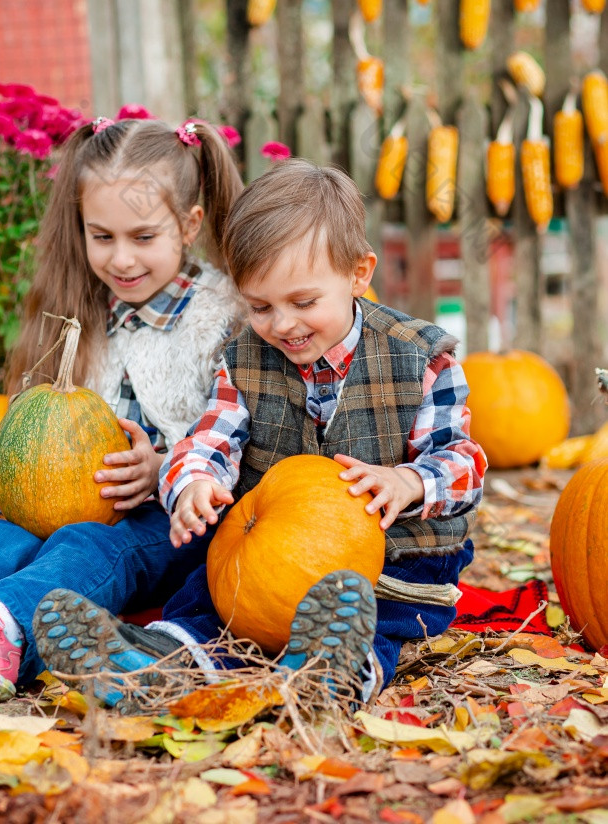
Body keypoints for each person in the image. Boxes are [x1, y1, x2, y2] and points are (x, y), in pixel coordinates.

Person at [34, 159, 486, 707]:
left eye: (303, 302)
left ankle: (332, 675)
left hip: (394, 559)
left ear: (359, 273)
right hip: (270, 554)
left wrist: (410, 482)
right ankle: (156, 664)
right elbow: (209, 440)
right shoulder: (245, 358)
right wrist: (192, 484)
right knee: (206, 595)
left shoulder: (420, 358)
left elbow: (462, 461)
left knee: (369, 616)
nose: (283, 325)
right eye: (260, 307)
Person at [0, 115, 245, 702]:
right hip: (68, 509)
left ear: (189, 225)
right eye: (102, 237)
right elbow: (49, 440)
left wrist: (164, 468)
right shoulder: (77, 314)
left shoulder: (223, 315)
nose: (122, 259)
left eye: (142, 237)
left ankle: (4, 632)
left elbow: (247, 436)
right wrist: (7, 475)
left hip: (173, 525)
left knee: (87, 547)